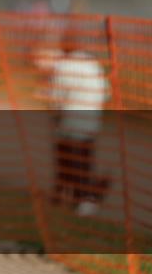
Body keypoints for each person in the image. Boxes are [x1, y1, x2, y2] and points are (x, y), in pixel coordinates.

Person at [35, 45, 112, 216]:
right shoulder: (92, 63)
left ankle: (83, 199)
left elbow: (55, 99)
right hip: (92, 120)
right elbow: (107, 93)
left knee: (71, 163)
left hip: (70, 124)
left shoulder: (62, 68)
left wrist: (49, 103)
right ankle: (80, 198)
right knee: (85, 161)